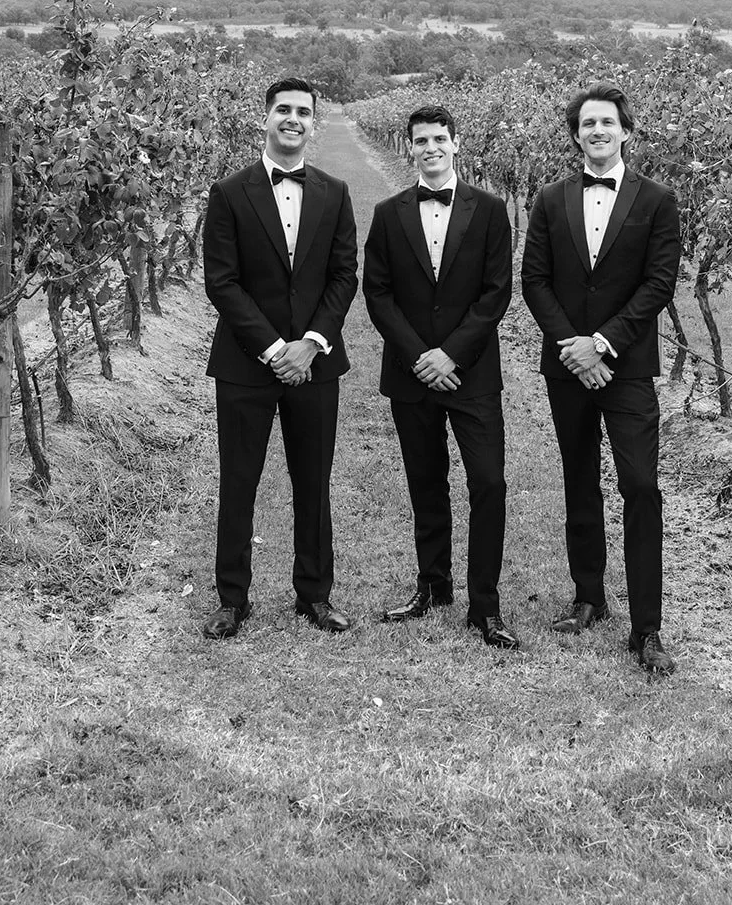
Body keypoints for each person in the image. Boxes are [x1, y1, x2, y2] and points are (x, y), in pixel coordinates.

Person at [521, 82, 681, 674]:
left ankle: (647, 627)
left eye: (606, 123)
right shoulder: (548, 197)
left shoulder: (657, 200)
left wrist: (604, 344)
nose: (596, 132)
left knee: (640, 487)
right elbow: (534, 278)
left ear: (625, 131)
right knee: (579, 480)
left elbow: (657, 285)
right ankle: (589, 596)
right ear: (575, 135)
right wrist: (574, 348)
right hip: (568, 367)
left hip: (628, 366)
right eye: (586, 124)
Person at [202, 76, 358, 639]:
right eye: (284, 110)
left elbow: (344, 276)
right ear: (265, 117)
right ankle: (231, 599)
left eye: (304, 112)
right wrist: (273, 348)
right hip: (247, 363)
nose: (293, 119)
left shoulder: (335, 192)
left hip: (315, 363)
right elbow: (221, 282)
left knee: (313, 481)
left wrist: (311, 343)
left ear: (314, 123)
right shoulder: (228, 192)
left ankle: (315, 595)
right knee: (239, 480)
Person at [363, 103, 518, 648]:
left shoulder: (491, 210)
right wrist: (418, 357)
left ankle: (486, 605)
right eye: (420, 141)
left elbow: (496, 291)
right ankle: (433, 585)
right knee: (425, 483)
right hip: (412, 376)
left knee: (489, 484)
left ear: (457, 144)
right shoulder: (388, 213)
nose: (430, 148)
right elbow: (376, 292)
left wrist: (450, 354)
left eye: (439, 139)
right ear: (409, 148)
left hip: (472, 374)